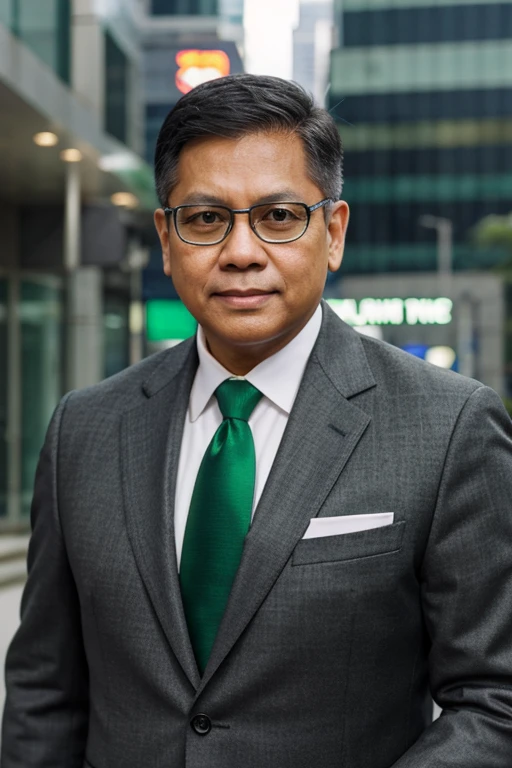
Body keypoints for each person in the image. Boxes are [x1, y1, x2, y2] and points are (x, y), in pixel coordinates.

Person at [2, 74, 512, 768]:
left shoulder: (449, 427)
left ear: (332, 233)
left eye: (278, 216)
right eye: (207, 219)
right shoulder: (83, 430)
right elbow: (44, 691)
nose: (241, 252)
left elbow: (493, 697)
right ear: (167, 236)